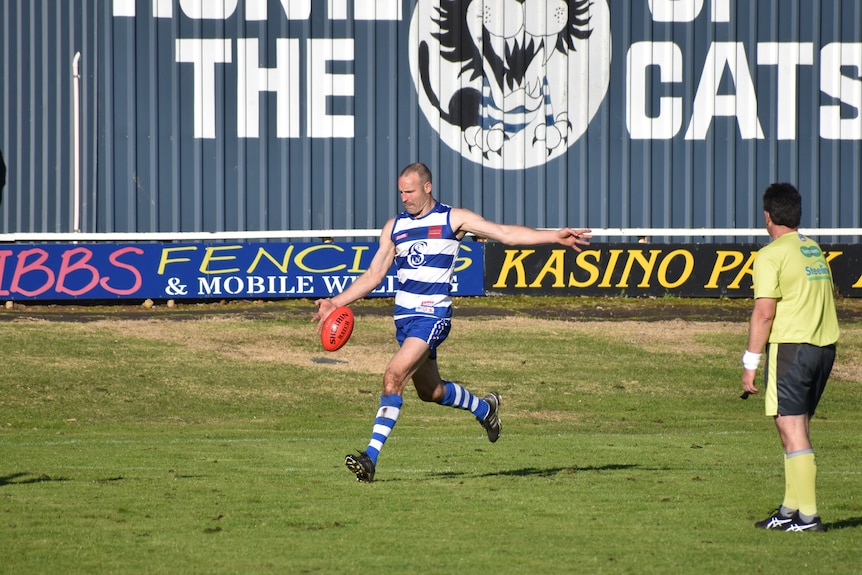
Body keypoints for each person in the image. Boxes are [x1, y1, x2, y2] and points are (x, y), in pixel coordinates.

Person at [313, 162, 592, 482]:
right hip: (404, 322)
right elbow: (374, 275)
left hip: (433, 316)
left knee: (393, 377)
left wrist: (553, 236)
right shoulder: (394, 227)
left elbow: (505, 234)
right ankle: (486, 410)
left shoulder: (453, 218)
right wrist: (335, 302)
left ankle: (370, 458)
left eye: (410, 191)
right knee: (431, 391)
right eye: (401, 192)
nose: (404, 198)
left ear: (427, 188)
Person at [741, 183, 839, 532]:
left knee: (790, 426)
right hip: (824, 347)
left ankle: (809, 518)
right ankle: (789, 510)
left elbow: (764, 313)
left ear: (767, 216)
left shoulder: (771, 255)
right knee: (795, 427)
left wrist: (749, 363)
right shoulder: (812, 250)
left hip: (792, 349)